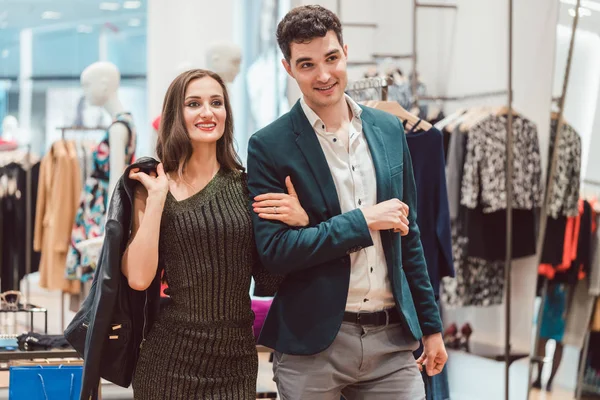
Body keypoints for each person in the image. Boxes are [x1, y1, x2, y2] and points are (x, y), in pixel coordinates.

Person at [247, 5, 448, 399]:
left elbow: (410, 238)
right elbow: (275, 253)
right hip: (312, 343)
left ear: (346, 52)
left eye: (331, 58)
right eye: (306, 64)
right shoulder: (270, 146)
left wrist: (432, 325)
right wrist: (364, 219)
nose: (323, 75)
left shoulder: (389, 129)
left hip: (392, 342)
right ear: (289, 68)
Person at [122, 69, 309, 399]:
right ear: (176, 115)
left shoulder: (251, 186)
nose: (207, 112)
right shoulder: (152, 183)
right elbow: (138, 277)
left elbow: (270, 281)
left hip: (235, 363)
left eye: (216, 102)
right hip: (168, 361)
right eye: (194, 103)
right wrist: (155, 202)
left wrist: (298, 225)